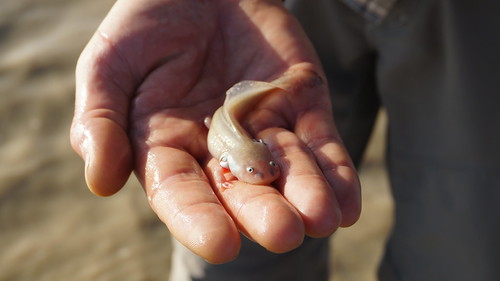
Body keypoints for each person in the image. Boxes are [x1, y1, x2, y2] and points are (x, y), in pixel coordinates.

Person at [70, 0, 500, 281]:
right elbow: (235, 149)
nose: (267, 173)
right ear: (232, 169)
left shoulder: (255, 156)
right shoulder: (229, 154)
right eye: (257, 170)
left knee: (463, 249)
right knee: (239, 259)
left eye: (264, 167)